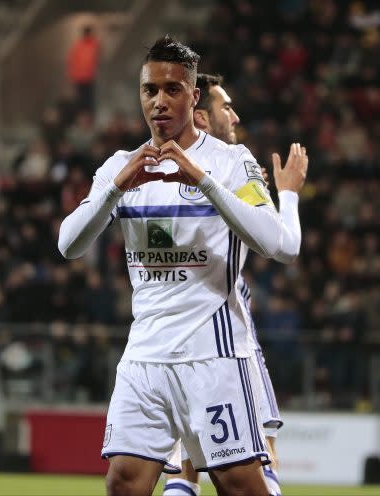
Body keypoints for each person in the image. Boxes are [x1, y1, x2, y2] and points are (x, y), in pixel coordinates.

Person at [58, 36, 307, 496]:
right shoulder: (120, 165)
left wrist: (203, 181)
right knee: (123, 483)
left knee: (239, 485)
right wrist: (116, 187)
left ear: (193, 97)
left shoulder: (234, 163)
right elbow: (68, 244)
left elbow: (280, 245)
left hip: (213, 355)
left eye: (172, 90)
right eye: (149, 90)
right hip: (146, 354)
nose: (159, 101)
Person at [162, 74, 302, 496]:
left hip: (164, 340)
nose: (236, 116)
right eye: (227, 107)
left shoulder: (154, 170)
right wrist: (287, 193)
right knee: (258, 460)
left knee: (183, 470)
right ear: (201, 115)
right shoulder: (234, 168)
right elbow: (285, 244)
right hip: (224, 333)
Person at [66, 25, 101, 115]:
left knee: (88, 99)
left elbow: (95, 59)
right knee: (82, 100)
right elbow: (72, 61)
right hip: (80, 77)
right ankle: (83, 117)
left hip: (88, 76)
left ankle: (87, 117)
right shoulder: (80, 45)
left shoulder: (93, 44)